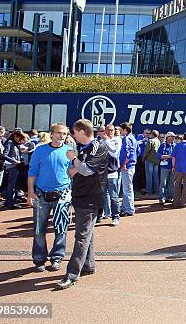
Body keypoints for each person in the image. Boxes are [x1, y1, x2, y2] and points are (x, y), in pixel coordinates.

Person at [56, 119, 108, 290]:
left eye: (74, 132)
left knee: (81, 236)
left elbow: (86, 170)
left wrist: (74, 160)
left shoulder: (97, 147)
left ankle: (72, 274)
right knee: (88, 234)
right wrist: (75, 166)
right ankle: (88, 265)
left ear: (81, 131)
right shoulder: (84, 148)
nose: (72, 135)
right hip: (80, 196)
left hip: (90, 197)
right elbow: (75, 170)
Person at [26, 123, 72, 272]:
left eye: (64, 134)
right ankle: (39, 259)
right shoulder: (40, 151)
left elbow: (74, 172)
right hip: (41, 195)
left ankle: (57, 257)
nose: (62, 136)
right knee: (39, 229)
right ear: (51, 134)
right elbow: (32, 171)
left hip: (62, 196)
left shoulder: (69, 151)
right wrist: (30, 192)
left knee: (61, 228)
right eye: (59, 133)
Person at [100, 124, 121, 226]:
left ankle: (116, 217)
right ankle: (102, 215)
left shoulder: (117, 140)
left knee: (114, 196)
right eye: (108, 130)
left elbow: (114, 153)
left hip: (112, 173)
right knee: (101, 196)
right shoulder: (100, 141)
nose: (110, 132)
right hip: (101, 174)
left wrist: (107, 141)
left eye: (112, 130)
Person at [119, 123, 137, 217]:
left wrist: (124, 164)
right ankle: (125, 208)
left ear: (125, 129)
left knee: (127, 189)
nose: (120, 131)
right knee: (127, 188)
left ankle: (129, 209)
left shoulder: (127, 138)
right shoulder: (132, 138)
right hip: (130, 166)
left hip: (128, 167)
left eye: (121, 129)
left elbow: (130, 153)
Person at [3, 130, 25, 209]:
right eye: (20, 138)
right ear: (15, 136)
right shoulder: (10, 143)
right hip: (12, 166)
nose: (20, 140)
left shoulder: (15, 144)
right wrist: (13, 161)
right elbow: (4, 155)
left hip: (16, 166)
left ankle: (8, 202)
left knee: (13, 185)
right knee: (11, 185)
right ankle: (9, 203)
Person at [157, 132, 176, 205]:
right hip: (164, 167)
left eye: (174, 137)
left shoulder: (175, 145)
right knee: (163, 183)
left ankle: (169, 197)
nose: (173, 138)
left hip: (173, 167)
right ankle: (161, 198)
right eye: (172, 137)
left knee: (171, 183)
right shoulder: (163, 145)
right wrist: (168, 156)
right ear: (168, 137)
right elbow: (158, 155)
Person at [142, 130, 160, 196]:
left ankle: (148, 190)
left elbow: (146, 151)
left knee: (149, 176)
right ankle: (156, 190)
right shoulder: (158, 141)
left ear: (152, 134)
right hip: (157, 160)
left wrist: (143, 158)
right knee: (155, 175)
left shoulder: (150, 141)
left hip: (149, 160)